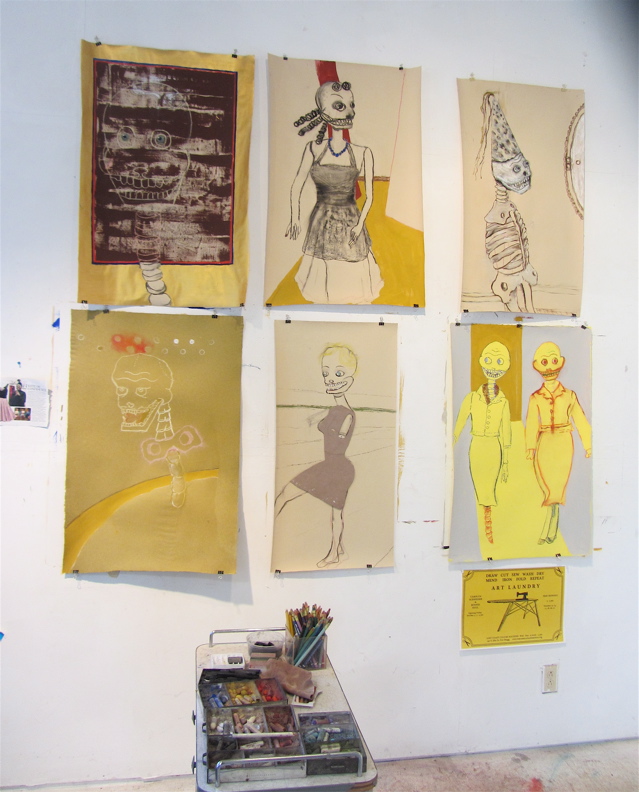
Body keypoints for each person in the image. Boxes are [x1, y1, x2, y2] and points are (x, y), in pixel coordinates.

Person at [286, 81, 383, 304]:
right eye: (339, 106)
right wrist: (294, 218)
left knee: (351, 273)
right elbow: (297, 185)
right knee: (323, 275)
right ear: (323, 110)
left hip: (350, 220)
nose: (349, 112)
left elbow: (370, 196)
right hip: (321, 221)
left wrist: (359, 225)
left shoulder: (363, 152)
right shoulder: (313, 148)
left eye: (351, 105)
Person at [275, 344, 357, 567]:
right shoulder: (335, 411)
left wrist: (323, 422)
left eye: (338, 374)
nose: (330, 379)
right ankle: (339, 549)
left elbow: (337, 434)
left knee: (335, 513)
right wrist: (319, 418)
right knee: (285, 494)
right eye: (325, 373)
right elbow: (328, 422)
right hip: (329, 466)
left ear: (349, 380)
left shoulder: (347, 415)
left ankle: (334, 553)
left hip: (338, 469)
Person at [525, 342, 591, 544]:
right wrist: (530, 446)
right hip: (544, 443)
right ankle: (549, 529)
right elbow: (531, 423)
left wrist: (588, 444)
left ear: (561, 362)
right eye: (544, 362)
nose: (550, 367)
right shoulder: (535, 397)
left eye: (554, 361)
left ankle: (550, 530)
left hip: (563, 443)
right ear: (536, 365)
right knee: (546, 487)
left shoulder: (570, 395)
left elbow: (580, 419)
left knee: (557, 489)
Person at [453, 341, 512, 544]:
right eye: (488, 360)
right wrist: (451, 443)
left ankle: (488, 527)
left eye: (499, 362)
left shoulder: (503, 401)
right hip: (477, 445)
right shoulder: (471, 398)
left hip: (494, 447)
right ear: (481, 361)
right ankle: (481, 528)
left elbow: (506, 432)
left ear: (506, 366)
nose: (493, 367)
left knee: (490, 488)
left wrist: (506, 463)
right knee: (478, 485)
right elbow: (459, 423)